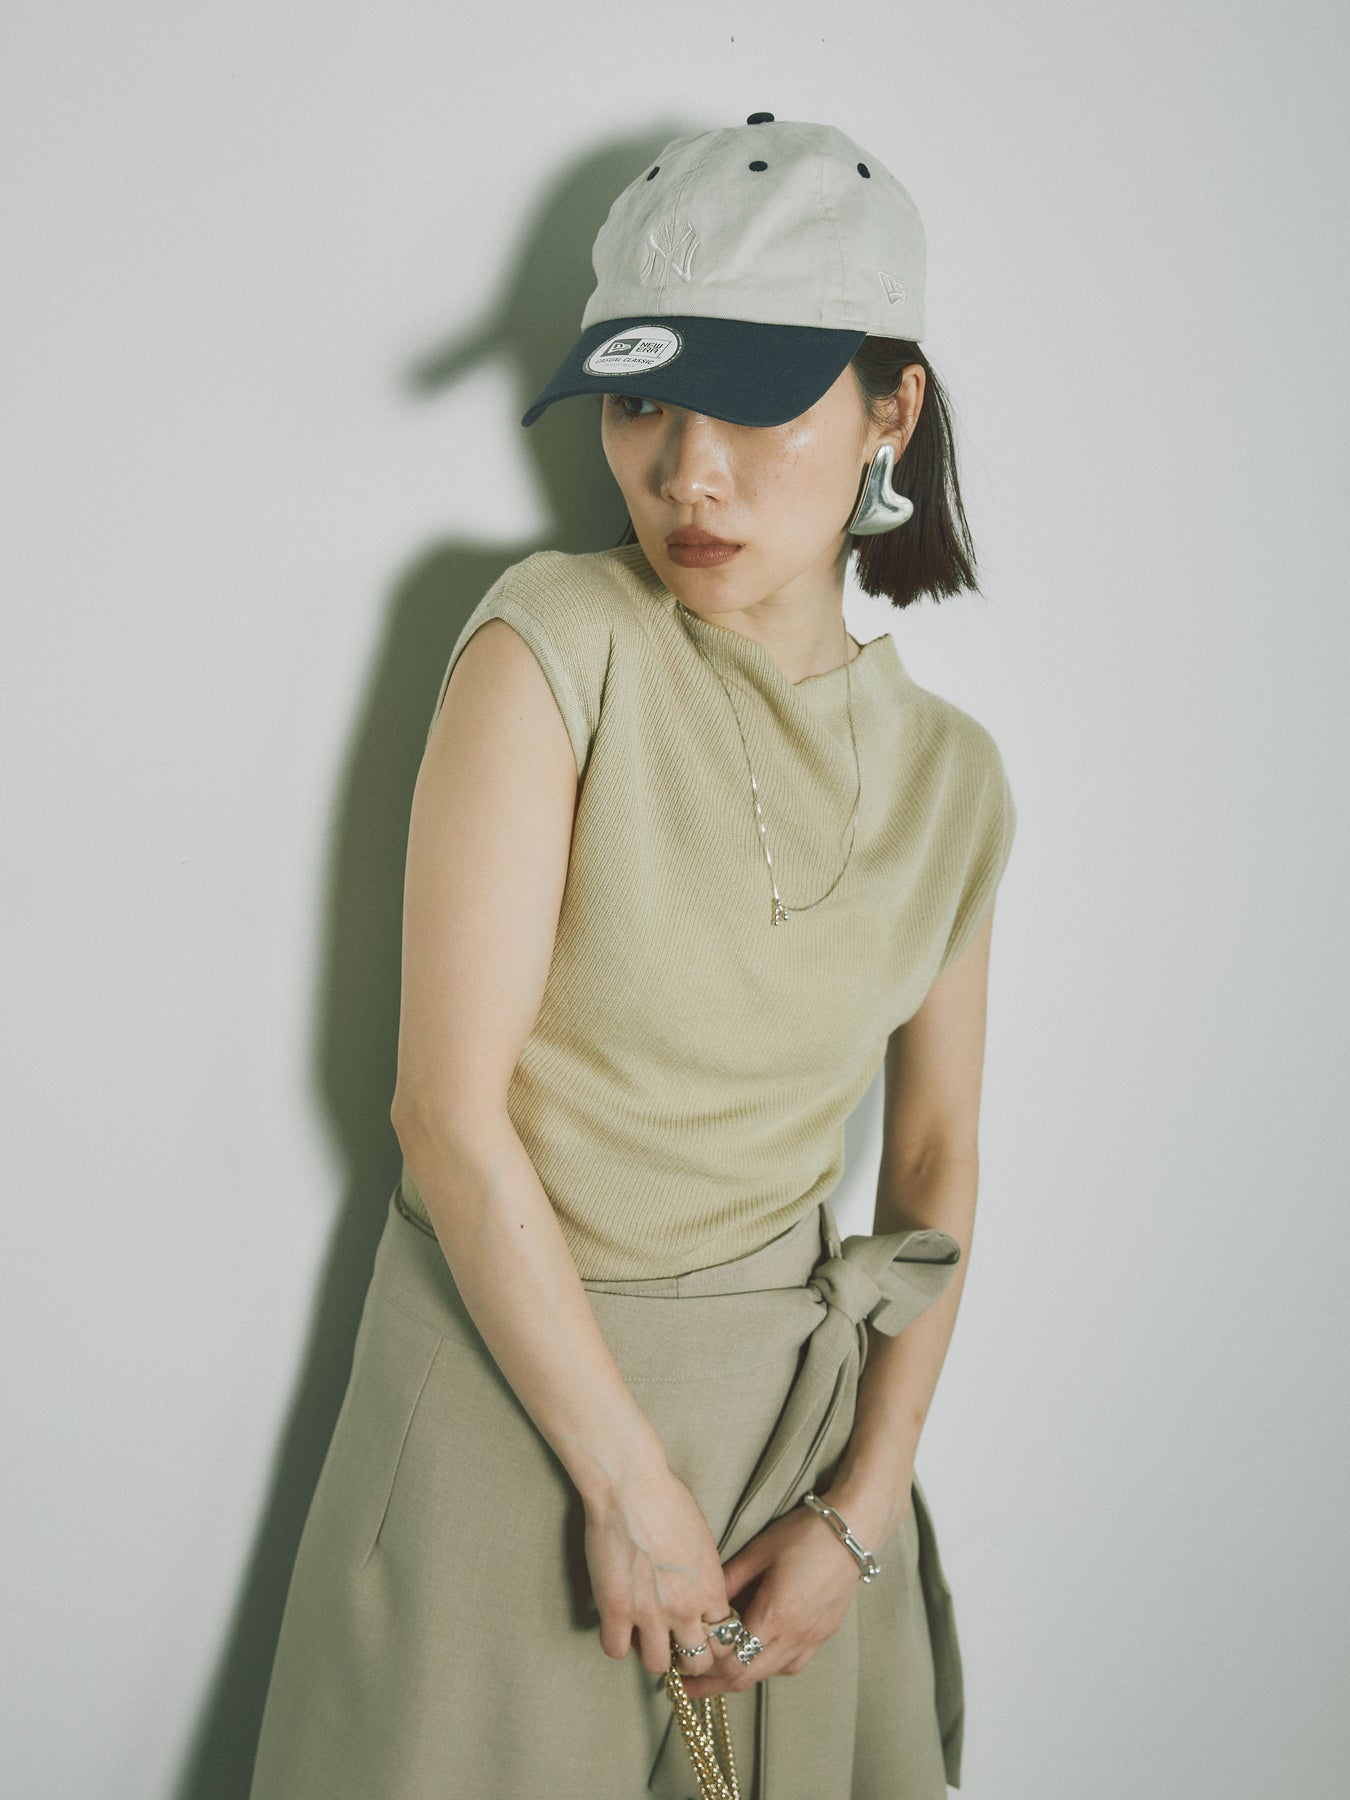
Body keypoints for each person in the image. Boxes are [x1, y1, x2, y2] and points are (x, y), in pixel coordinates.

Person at [248, 114, 1018, 1800]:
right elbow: (445, 1112)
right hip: (508, 1405)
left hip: (793, 1448)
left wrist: (861, 1507)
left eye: (752, 404)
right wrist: (622, 1484)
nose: (685, 473)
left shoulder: (954, 778)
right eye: (640, 403)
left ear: (891, 410)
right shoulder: (559, 639)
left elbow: (935, 1163)